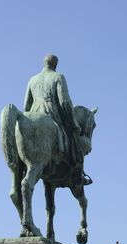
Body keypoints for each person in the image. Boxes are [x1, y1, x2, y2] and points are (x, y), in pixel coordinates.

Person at [24, 54, 92, 185]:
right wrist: (74, 123)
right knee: (74, 139)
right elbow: (65, 103)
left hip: (32, 114)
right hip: (51, 113)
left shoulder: (32, 79)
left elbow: (26, 105)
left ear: (44, 63)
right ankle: (78, 176)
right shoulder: (58, 77)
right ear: (56, 64)